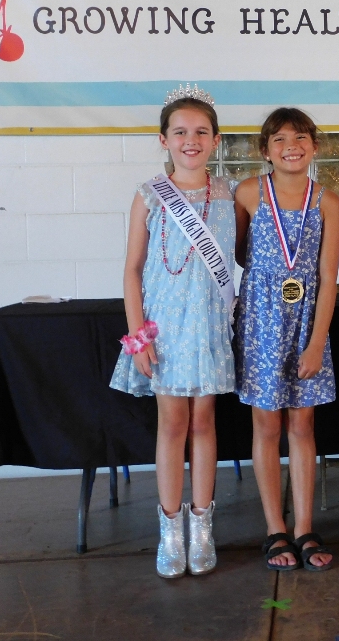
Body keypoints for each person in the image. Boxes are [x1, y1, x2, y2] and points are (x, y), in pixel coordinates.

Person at [110, 84, 236, 579]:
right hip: (164, 330)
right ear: (163, 139)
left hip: (208, 326)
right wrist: (138, 339)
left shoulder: (229, 193)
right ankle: (169, 528)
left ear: (216, 140)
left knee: (204, 422)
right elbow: (132, 270)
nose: (191, 140)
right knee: (172, 425)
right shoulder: (148, 195)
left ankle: (202, 525)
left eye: (201, 132)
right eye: (180, 132)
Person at [234, 108, 339, 572]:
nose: (290, 146)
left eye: (300, 138)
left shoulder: (329, 201)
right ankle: (275, 529)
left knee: (302, 426)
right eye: (279, 139)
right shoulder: (247, 192)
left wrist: (317, 343)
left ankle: (304, 528)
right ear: (265, 150)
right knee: (266, 427)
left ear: (314, 146)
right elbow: (241, 253)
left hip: (306, 324)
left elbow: (328, 276)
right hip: (262, 323)